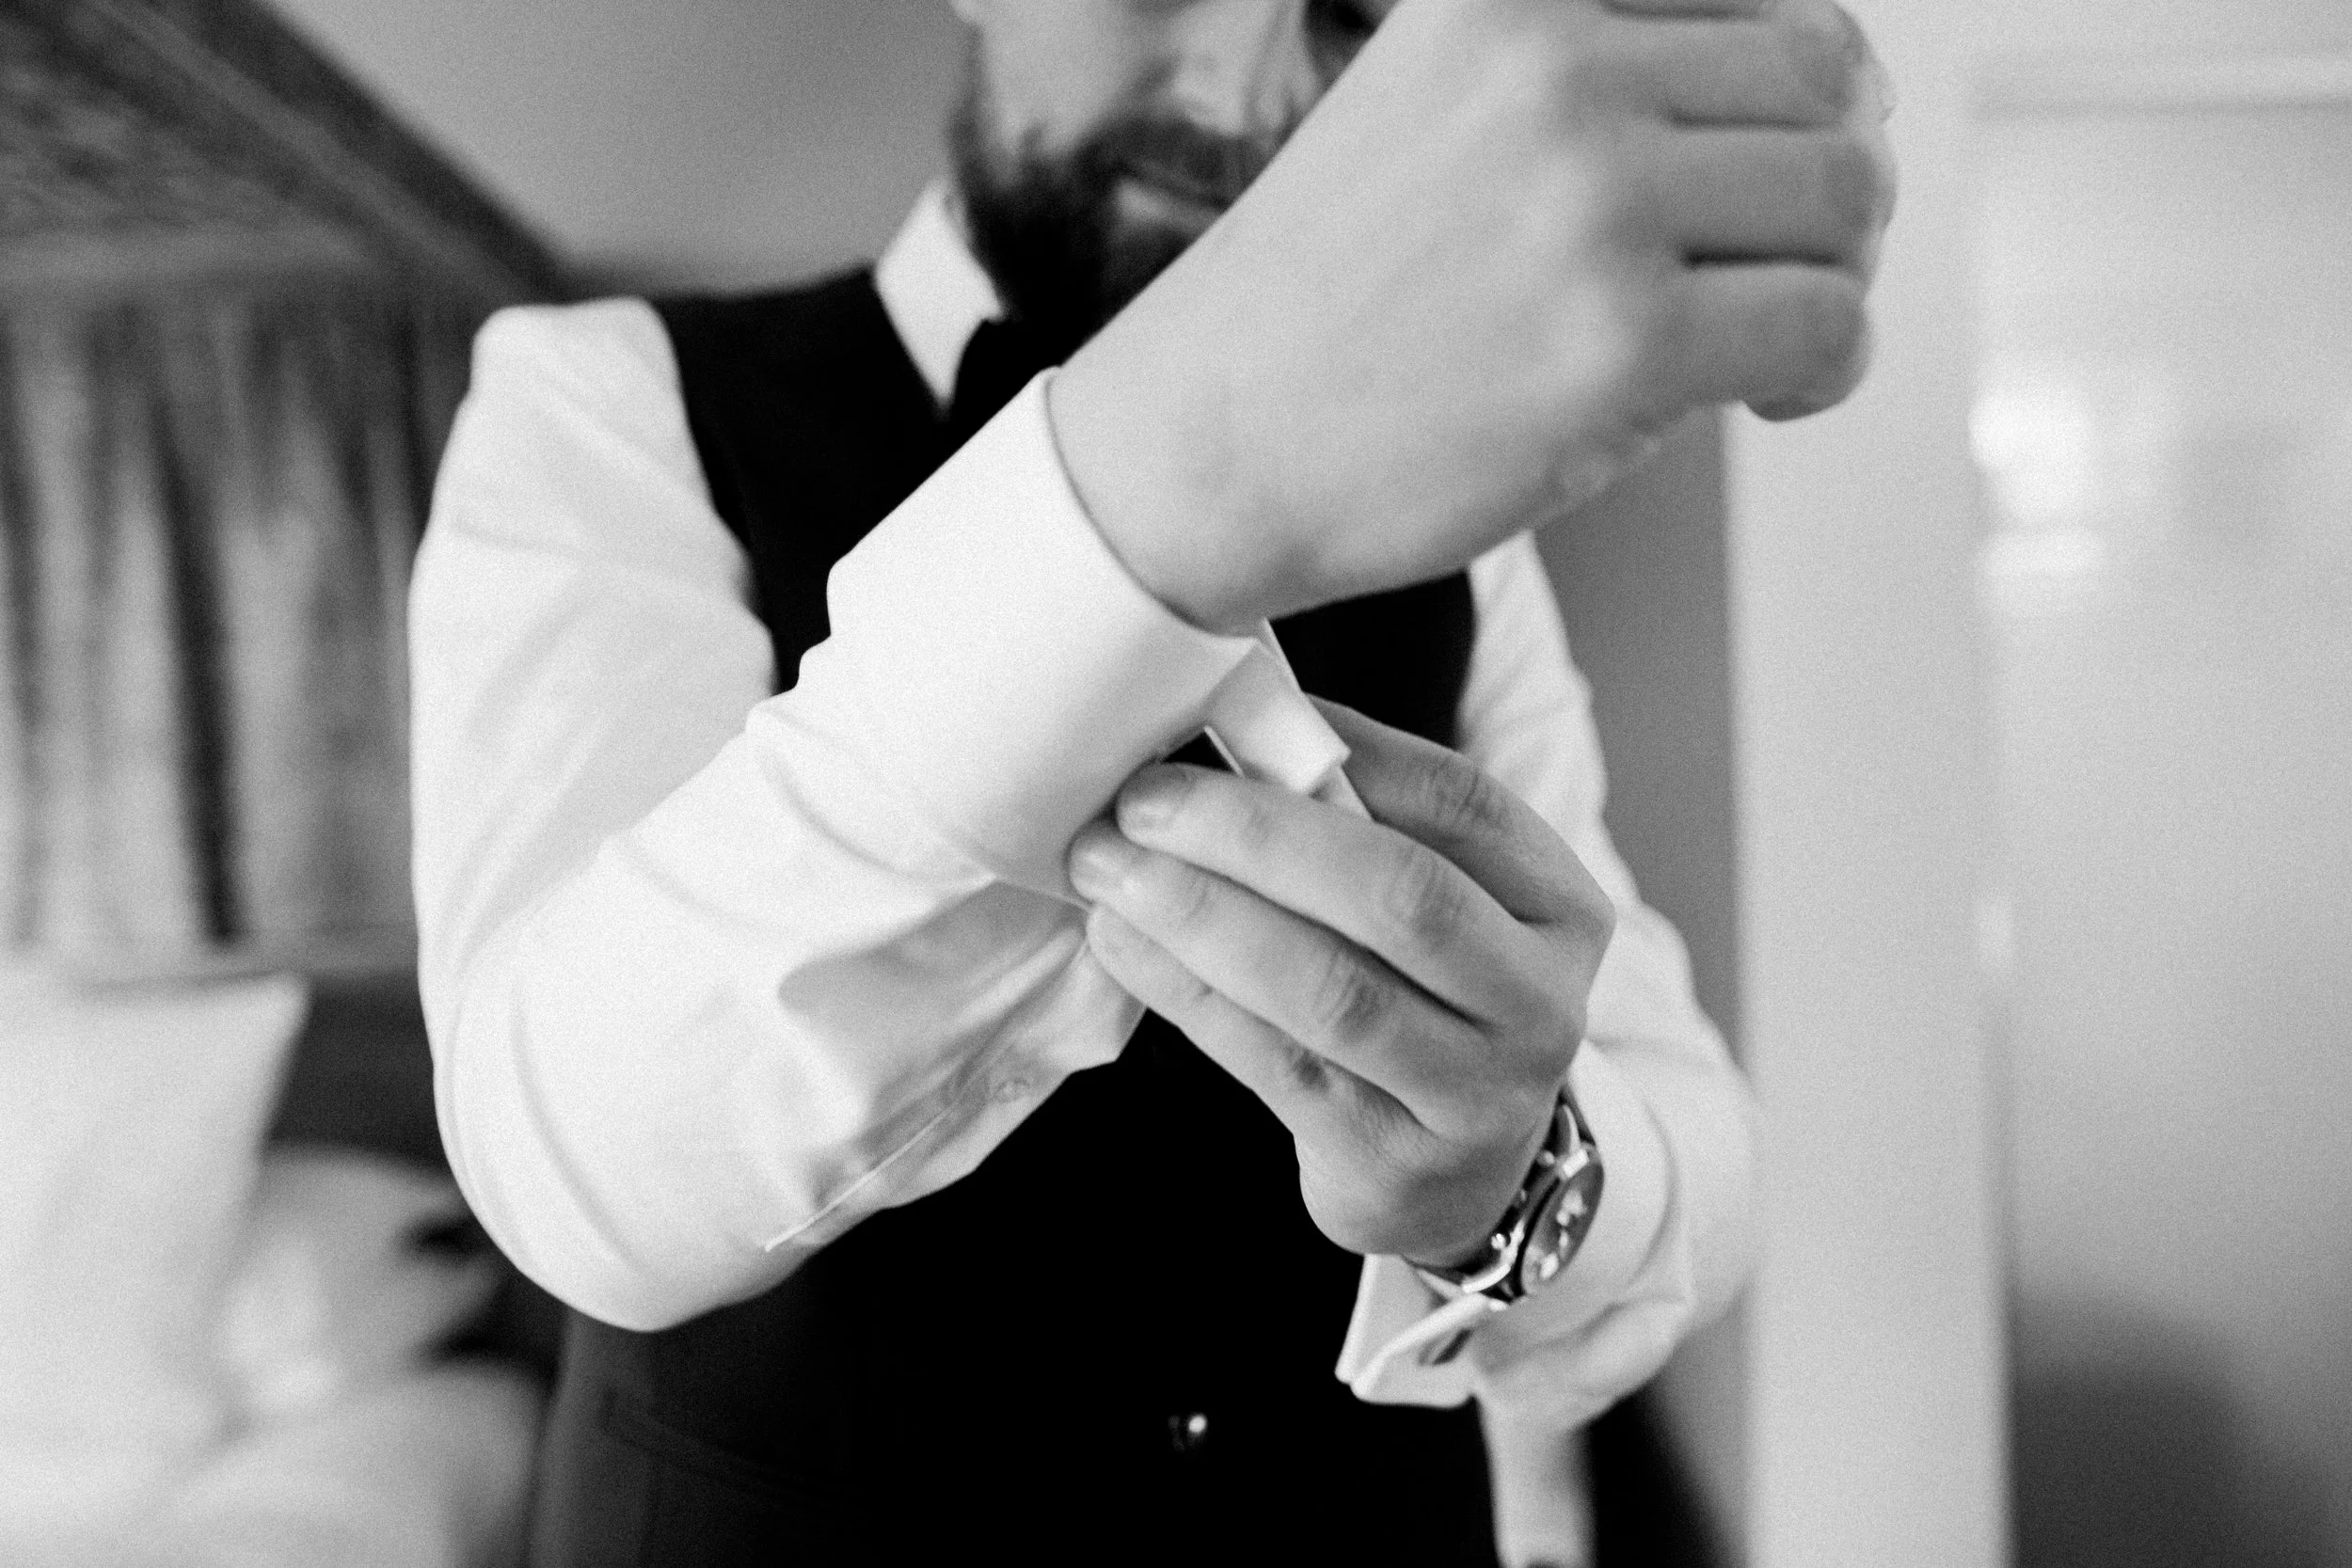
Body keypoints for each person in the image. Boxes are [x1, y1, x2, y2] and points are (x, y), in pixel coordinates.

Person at [409, 1, 1894, 1562]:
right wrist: (1183, 481)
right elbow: (575, 1168)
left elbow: (1691, 1131)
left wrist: (1515, 1186)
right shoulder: (604, 399)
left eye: (1347, 12)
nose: (1240, 87)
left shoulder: (1475, 532)